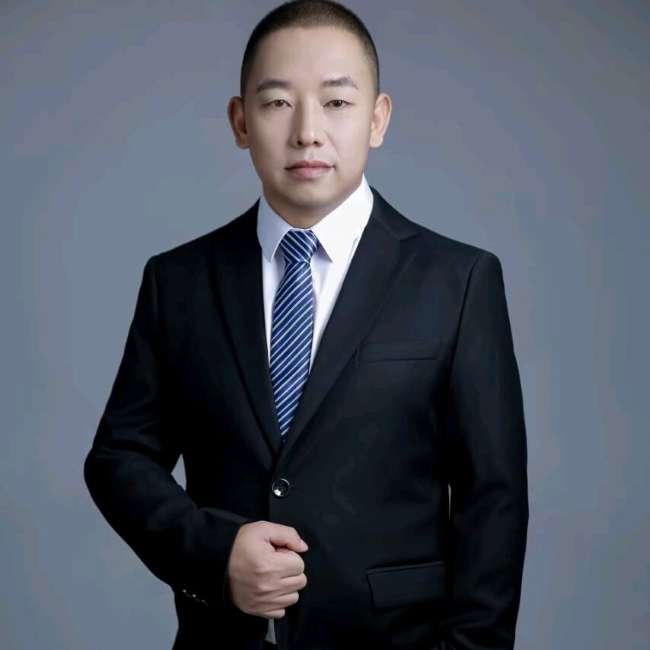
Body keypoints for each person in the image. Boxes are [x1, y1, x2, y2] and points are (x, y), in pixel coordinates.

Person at [83, 1, 529, 648]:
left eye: (337, 103)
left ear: (378, 119)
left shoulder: (458, 281)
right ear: (241, 121)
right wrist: (214, 555)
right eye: (277, 103)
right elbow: (119, 458)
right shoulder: (178, 281)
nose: (307, 133)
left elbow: (494, 499)